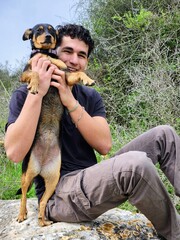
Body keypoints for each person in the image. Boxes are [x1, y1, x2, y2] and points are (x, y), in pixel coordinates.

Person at [4, 24, 180, 240]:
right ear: (53, 51)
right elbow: (14, 153)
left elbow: (104, 145)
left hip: (91, 180)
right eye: (67, 51)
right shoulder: (25, 94)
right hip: (60, 194)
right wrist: (37, 94)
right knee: (135, 165)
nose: (74, 60)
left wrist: (69, 101)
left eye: (82, 55)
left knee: (165, 135)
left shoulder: (89, 95)